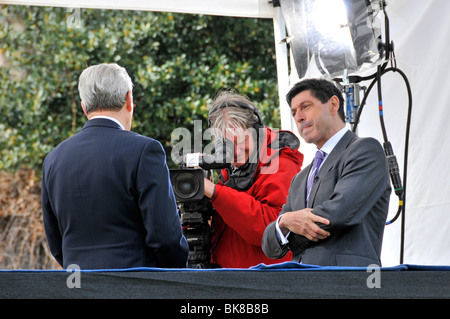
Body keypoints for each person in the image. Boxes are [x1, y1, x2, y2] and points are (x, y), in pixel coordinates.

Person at [42, 63, 189, 269]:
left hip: (77, 285)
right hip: (135, 286)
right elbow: (164, 237)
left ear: (84, 107)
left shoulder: (53, 159)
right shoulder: (145, 150)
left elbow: (56, 243)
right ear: (129, 99)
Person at [262, 78, 391, 267]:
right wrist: (284, 221)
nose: (298, 117)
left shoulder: (365, 150)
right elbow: (268, 244)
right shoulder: (300, 178)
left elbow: (337, 214)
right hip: (302, 286)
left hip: (349, 284)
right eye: (294, 112)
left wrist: (291, 232)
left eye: (305, 107)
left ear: (333, 104)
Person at [204, 91, 304, 268]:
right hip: (230, 280)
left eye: (240, 141)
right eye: (226, 144)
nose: (235, 151)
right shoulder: (227, 170)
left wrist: (215, 193)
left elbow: (270, 229)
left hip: (264, 283)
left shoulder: (281, 163)